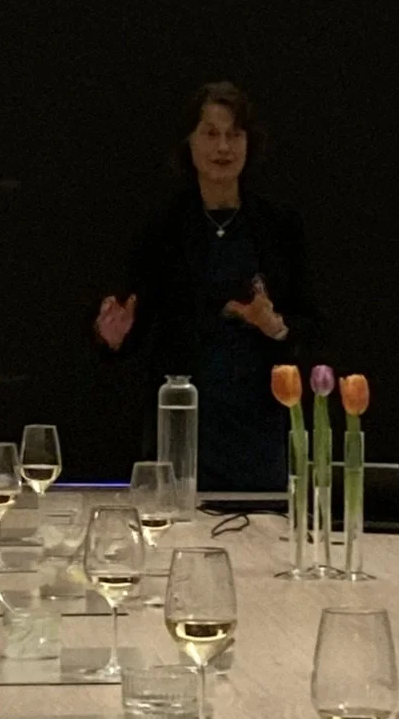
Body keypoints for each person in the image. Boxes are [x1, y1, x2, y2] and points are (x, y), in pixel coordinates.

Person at [96, 81, 321, 491]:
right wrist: (114, 337)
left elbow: (314, 325)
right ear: (190, 143)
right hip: (182, 424)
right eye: (211, 133)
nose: (223, 147)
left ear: (250, 143)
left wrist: (275, 326)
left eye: (234, 134)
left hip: (261, 426)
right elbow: (138, 330)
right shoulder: (161, 227)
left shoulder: (280, 226)